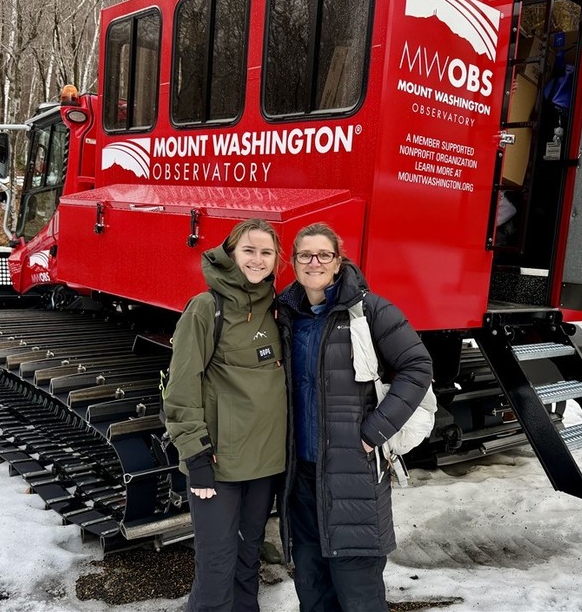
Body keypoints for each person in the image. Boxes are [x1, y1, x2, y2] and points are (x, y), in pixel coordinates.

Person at [277, 222, 433, 612]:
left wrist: (376, 431)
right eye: (305, 255)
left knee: (358, 592)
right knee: (312, 589)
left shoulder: (369, 310)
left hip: (354, 475)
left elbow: (417, 366)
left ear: (338, 260)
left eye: (324, 255)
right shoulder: (284, 314)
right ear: (293, 262)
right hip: (302, 479)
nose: (314, 262)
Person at [162, 218, 287, 612]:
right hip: (218, 466)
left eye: (266, 252)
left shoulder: (278, 311)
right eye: (248, 250)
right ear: (231, 253)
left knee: (247, 564)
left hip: (265, 465)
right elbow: (181, 389)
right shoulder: (205, 308)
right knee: (216, 570)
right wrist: (196, 458)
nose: (257, 259)